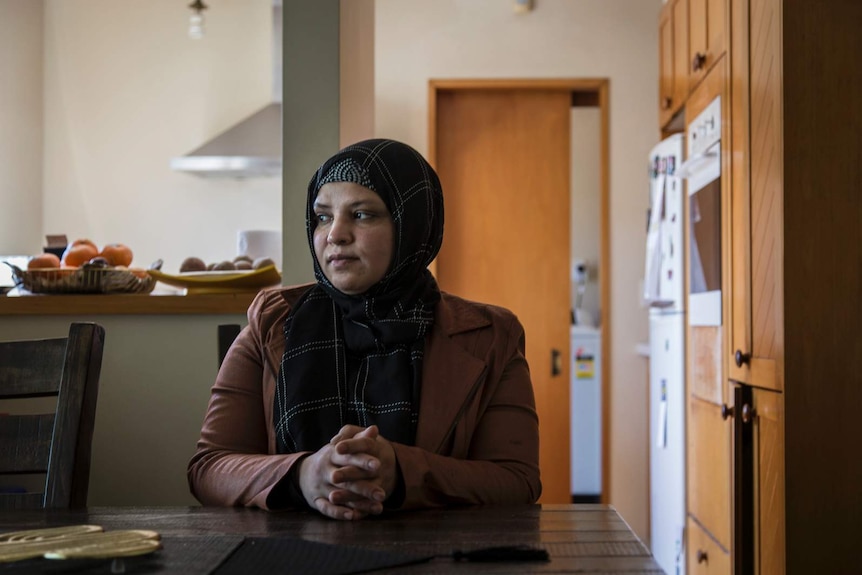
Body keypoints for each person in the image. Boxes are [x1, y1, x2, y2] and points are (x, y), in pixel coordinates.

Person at [187, 138, 541, 520]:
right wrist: (303, 474)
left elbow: (516, 480)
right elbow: (209, 468)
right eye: (323, 216)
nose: (335, 234)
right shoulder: (271, 321)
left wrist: (400, 472)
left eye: (362, 214)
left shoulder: (490, 336)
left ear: (412, 226)